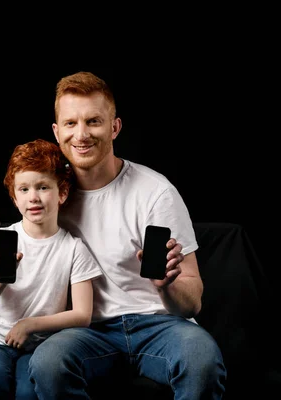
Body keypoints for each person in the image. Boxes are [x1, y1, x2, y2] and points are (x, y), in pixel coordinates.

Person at [27, 71, 227, 399]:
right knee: (49, 362)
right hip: (88, 329)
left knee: (201, 359)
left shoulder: (155, 191)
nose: (81, 135)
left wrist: (168, 286)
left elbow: (193, 301)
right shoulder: (49, 196)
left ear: (114, 127)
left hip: (159, 325)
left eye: (93, 121)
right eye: (70, 123)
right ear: (56, 131)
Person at [0, 139, 103, 400]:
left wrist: (30, 325)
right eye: (23, 189)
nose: (33, 197)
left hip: (39, 345)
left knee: (27, 393)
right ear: (14, 197)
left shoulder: (74, 248)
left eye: (43, 187)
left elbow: (82, 314)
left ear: (62, 193)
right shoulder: (3, 238)